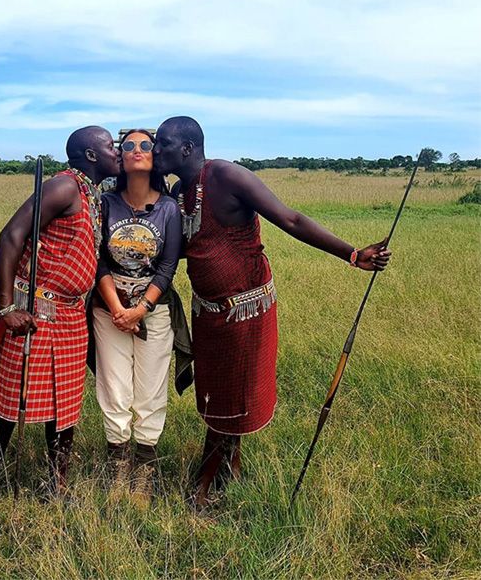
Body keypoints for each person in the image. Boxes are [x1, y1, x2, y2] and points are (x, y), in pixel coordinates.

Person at [152, 116, 392, 508]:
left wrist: (352, 254)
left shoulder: (229, 177)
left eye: (161, 144)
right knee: (216, 392)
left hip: (246, 309)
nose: (155, 151)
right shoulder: (180, 190)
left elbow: (290, 218)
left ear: (187, 149)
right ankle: (233, 466)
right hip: (208, 312)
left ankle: (207, 479)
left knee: (233, 393)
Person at [0, 126, 121, 499]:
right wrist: (6, 307)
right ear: (91, 155)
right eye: (111, 146)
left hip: (72, 315)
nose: (117, 151)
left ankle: (56, 485)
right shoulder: (64, 187)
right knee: (12, 400)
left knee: (66, 403)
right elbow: (11, 235)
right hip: (33, 311)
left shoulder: (93, 195)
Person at [92, 129, 182, 506]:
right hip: (108, 309)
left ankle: (144, 470)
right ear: (120, 157)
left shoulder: (168, 209)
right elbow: (96, 259)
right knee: (115, 389)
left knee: (150, 391)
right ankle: (117, 468)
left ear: (154, 155)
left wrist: (140, 308)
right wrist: (117, 309)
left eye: (146, 145)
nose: (137, 151)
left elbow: (168, 264)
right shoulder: (105, 203)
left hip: (154, 309)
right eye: (127, 145)